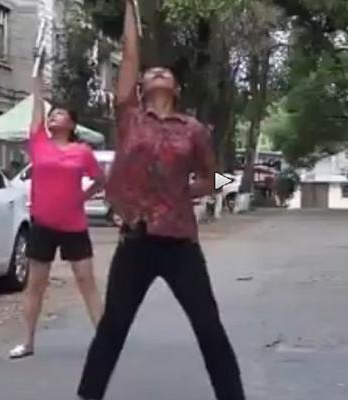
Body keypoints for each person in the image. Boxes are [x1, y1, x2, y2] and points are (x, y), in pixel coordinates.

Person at [76, 1, 246, 399]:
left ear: (176, 88)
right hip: (135, 240)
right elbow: (130, 57)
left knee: (208, 326)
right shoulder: (130, 117)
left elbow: (213, 177)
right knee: (113, 326)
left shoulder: (194, 130)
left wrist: (188, 191)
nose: (157, 73)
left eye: (165, 72)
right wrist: (130, 10)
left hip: (180, 242)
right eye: (151, 72)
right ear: (140, 86)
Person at [9, 55, 105, 359]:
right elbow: (37, 109)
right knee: (35, 284)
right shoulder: (39, 142)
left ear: (72, 124)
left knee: (86, 281)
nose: (54, 117)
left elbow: (100, 180)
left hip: (74, 225)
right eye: (52, 114)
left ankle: (105, 341)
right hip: (43, 225)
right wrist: (36, 79)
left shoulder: (82, 151)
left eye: (60, 114)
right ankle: (27, 342)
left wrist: (82, 198)